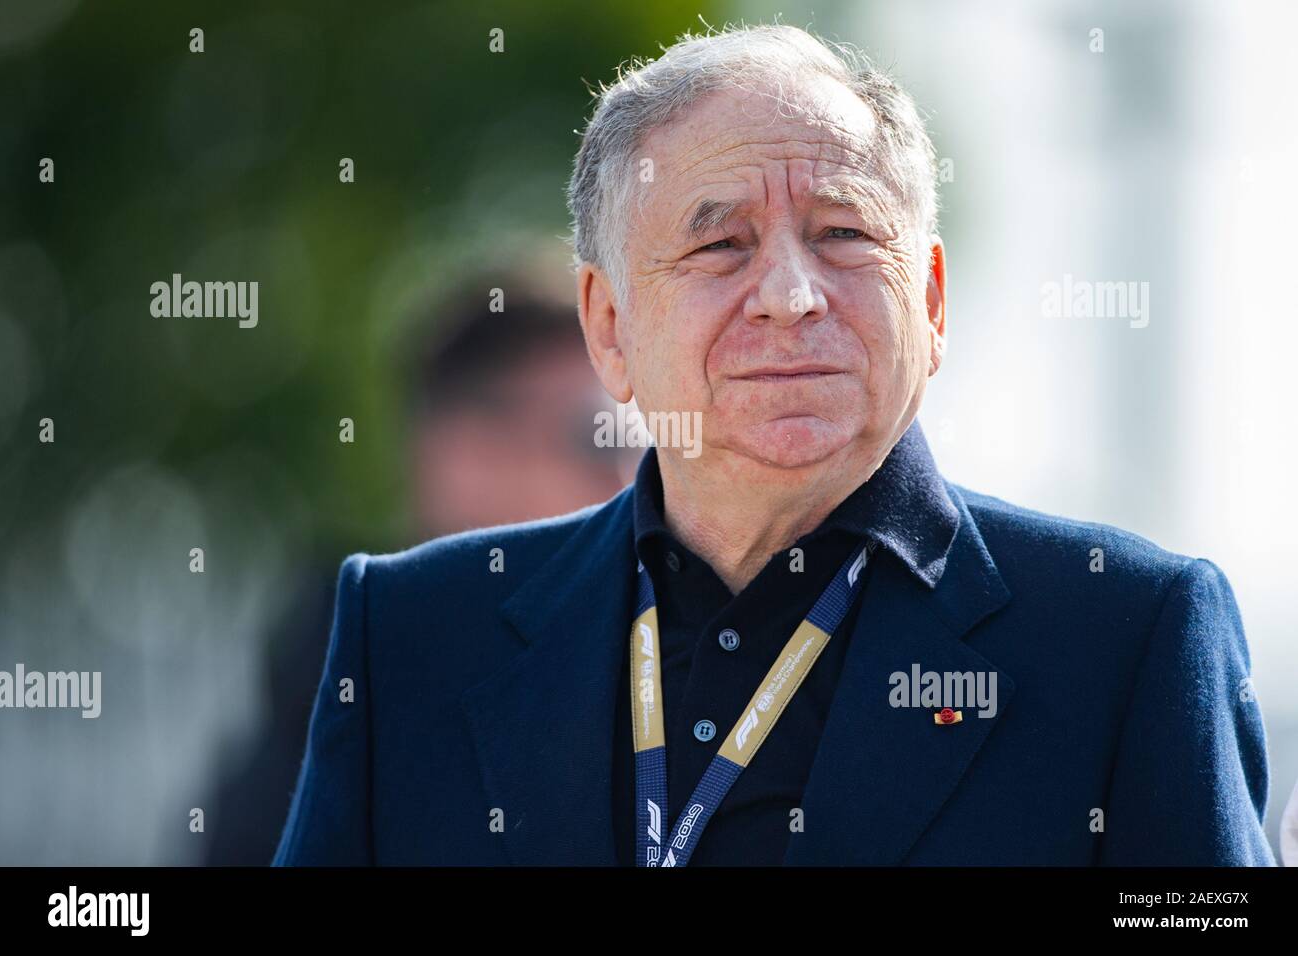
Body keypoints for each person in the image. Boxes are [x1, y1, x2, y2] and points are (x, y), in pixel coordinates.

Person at [273, 24, 1275, 866]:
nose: (793, 297)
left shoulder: (1123, 638)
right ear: (610, 325)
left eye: (844, 234)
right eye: (720, 245)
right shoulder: (410, 634)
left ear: (928, 298)